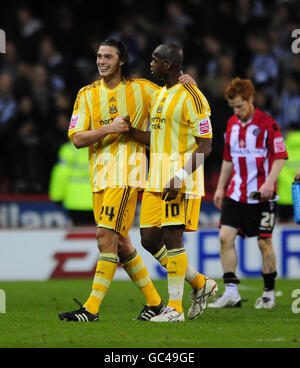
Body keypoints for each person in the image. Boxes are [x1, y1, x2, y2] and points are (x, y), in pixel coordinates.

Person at [58, 38, 196, 322]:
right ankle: (162, 300)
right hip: (98, 178)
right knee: (121, 245)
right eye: (99, 56)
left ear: (121, 61)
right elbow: (77, 138)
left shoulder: (141, 89)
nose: (101, 61)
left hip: (126, 174)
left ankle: (91, 310)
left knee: (104, 239)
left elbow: (175, 98)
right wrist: (111, 128)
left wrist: (188, 83)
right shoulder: (86, 94)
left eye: (108, 56)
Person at [125, 43, 217, 322]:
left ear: (169, 63)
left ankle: (174, 308)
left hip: (180, 179)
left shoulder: (194, 96)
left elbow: (206, 145)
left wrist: (180, 176)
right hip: (157, 179)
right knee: (149, 239)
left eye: (155, 59)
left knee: (172, 238)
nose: (150, 63)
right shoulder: (162, 94)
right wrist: (130, 132)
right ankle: (201, 284)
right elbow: (157, 139)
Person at [209, 77, 287, 310]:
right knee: (225, 238)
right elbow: (228, 159)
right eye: (233, 106)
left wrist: (269, 183)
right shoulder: (232, 124)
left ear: (251, 100)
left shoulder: (267, 124)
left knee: (264, 244)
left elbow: (280, 157)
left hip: (262, 197)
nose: (237, 111)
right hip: (235, 194)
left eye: (240, 106)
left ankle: (268, 293)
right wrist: (221, 187)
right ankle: (231, 292)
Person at [49, 141, 94, 226]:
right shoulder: (103, 148)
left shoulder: (69, 150)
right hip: (99, 200)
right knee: (98, 235)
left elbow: (61, 174)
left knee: (79, 235)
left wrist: (57, 196)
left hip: (74, 201)